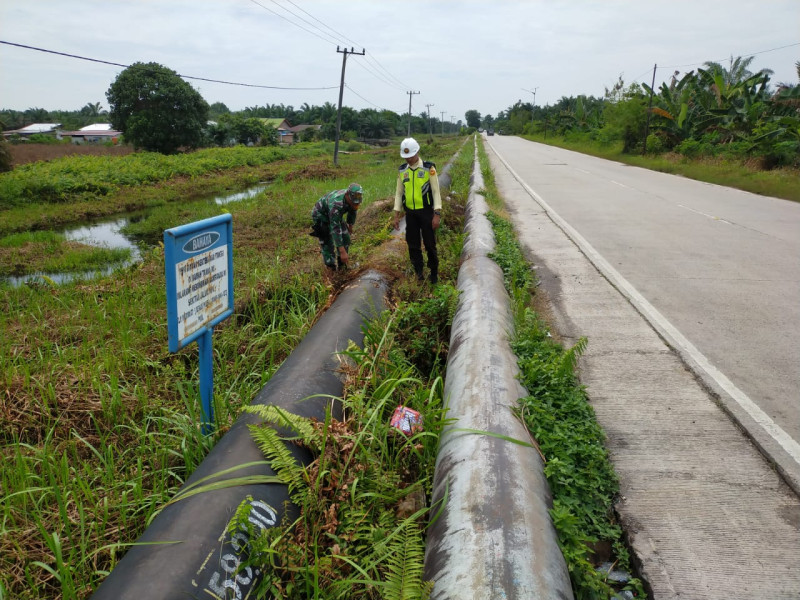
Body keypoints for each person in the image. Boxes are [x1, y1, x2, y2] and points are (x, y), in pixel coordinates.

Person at [393, 138, 442, 284]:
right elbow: (398, 193)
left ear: (417, 152)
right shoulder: (402, 171)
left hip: (426, 213)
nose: (408, 159)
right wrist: (396, 214)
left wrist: (437, 214)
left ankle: (433, 273)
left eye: (411, 156)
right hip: (411, 215)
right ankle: (419, 272)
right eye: (406, 157)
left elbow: (436, 192)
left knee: (429, 244)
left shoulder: (428, 168)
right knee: (413, 244)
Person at [310, 183, 363, 270]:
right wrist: (342, 251)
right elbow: (335, 229)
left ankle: (342, 267)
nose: (355, 203)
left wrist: (350, 225)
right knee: (327, 241)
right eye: (352, 201)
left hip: (335, 215)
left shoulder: (356, 198)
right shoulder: (336, 204)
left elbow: (353, 210)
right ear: (347, 195)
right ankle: (331, 269)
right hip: (321, 215)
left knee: (345, 237)